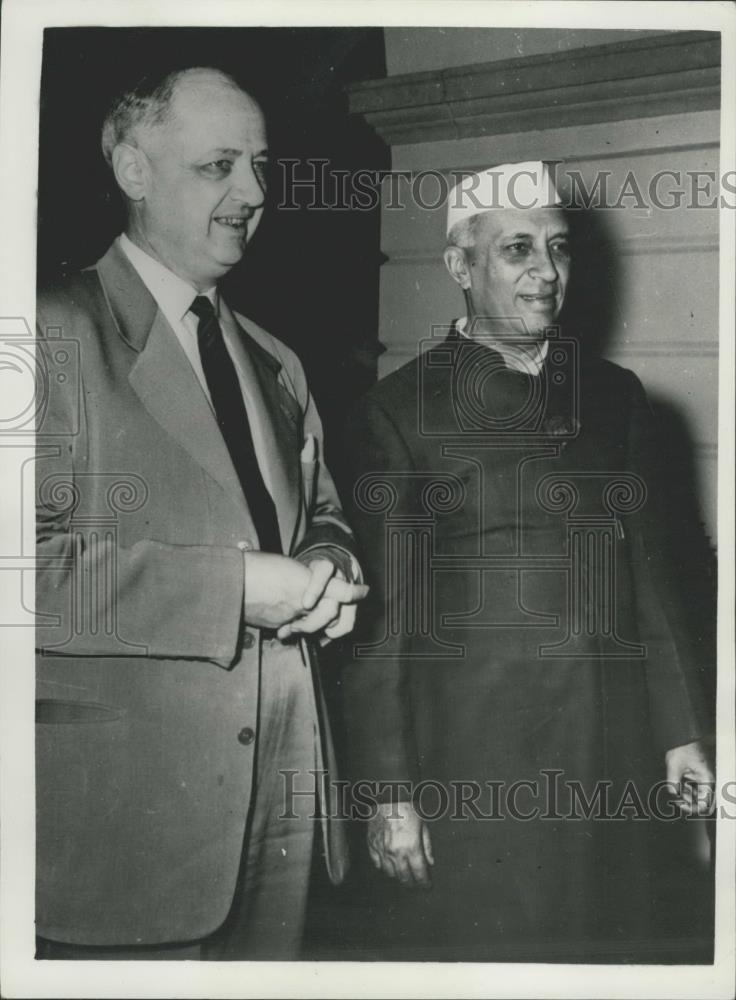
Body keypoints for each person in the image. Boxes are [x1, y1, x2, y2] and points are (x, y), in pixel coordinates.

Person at [338, 162, 715, 962]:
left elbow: (652, 577)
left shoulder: (616, 396)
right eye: (517, 249)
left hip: (615, 757)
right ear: (459, 266)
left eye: (559, 247)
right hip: (480, 770)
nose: (546, 272)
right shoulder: (397, 412)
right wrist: (390, 793)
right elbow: (383, 631)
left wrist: (682, 734)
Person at [34, 66, 367, 960]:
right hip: (130, 828)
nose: (254, 194)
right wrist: (234, 589)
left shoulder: (275, 359)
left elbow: (321, 515)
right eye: (219, 166)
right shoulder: (46, 331)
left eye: (260, 167)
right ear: (135, 171)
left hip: (284, 810)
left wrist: (330, 564)